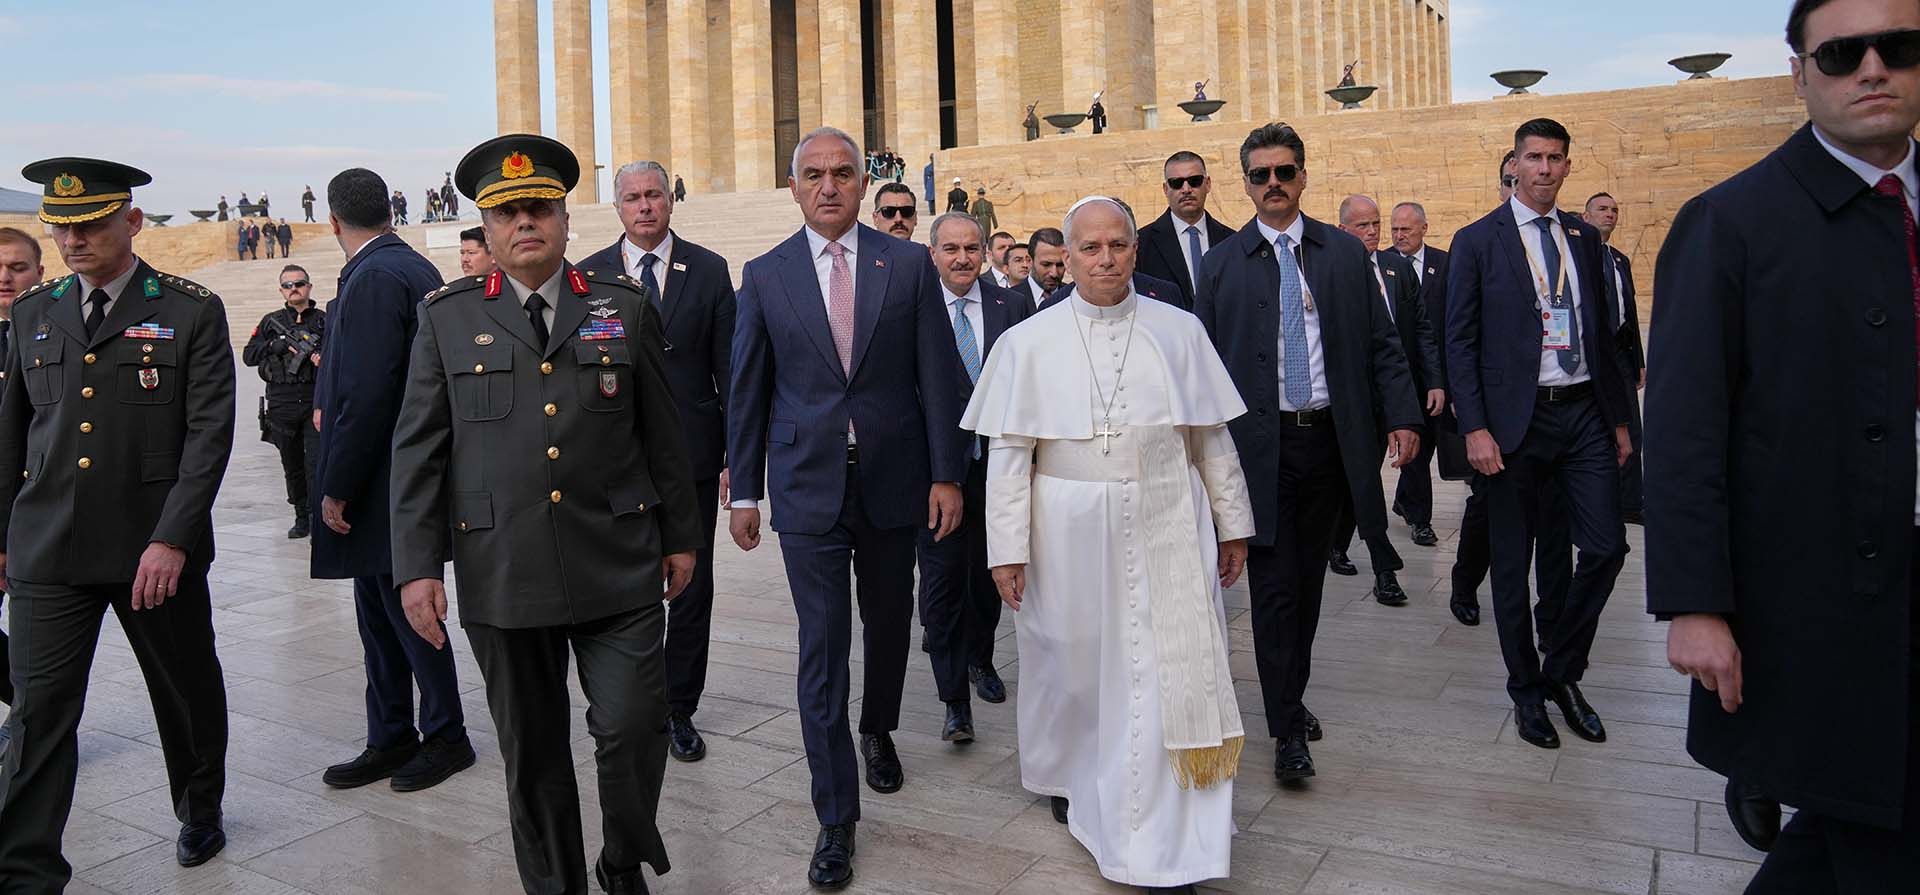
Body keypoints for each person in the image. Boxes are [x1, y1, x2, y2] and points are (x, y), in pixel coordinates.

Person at [1650, 0, 1920, 883]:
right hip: (1815, 596)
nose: (1873, 69)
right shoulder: (1730, 221)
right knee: (1866, 821)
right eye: (1843, 53)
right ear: (1800, 72)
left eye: (1899, 47)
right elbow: (1686, 427)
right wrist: (1695, 600)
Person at [391, 134, 700, 895]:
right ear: (487, 231)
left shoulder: (621, 307)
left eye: (539, 208)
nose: (524, 221)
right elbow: (418, 452)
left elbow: (664, 431)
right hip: (504, 566)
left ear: (564, 219)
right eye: (506, 212)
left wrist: (682, 537)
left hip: (617, 557)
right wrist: (417, 568)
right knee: (531, 753)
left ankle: (622, 857)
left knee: (634, 728)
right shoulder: (446, 318)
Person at [968, 196, 1252, 894]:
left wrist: (1234, 521)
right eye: (1089, 248)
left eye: (1117, 245)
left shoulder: (1179, 330)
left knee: (1159, 669)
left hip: (1168, 520)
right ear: (1066, 255)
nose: (1104, 259)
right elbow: (1009, 456)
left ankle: (1164, 827)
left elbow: (1210, 436)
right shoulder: (1027, 342)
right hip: (1065, 526)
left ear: (1134, 249)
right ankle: (1070, 773)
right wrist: (1006, 549)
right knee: (1072, 658)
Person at [727, 126, 966, 890]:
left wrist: (947, 473)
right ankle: (836, 815)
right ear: (793, 186)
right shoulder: (764, 275)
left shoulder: (907, 266)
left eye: (842, 173)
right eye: (813, 175)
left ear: (865, 183)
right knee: (822, 648)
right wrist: (746, 488)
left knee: (893, 623)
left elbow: (937, 373)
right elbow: (748, 389)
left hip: (897, 479)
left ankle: (879, 727)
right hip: (806, 487)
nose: (828, 186)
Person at [0, 158, 237, 882]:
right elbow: (11, 436)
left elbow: (208, 436)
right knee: (37, 713)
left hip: (150, 550)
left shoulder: (191, 310)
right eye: (62, 227)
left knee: (186, 689)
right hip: (49, 547)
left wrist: (173, 537)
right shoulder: (35, 312)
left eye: (91, 225)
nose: (74, 240)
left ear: (131, 222)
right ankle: (24, 868)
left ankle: (200, 807)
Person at [1194, 123, 1422, 783]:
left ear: (1302, 176)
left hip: (1326, 442)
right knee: (1272, 590)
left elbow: (1382, 342)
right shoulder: (1221, 265)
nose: (1273, 184)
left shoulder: (1344, 257)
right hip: (1255, 453)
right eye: (1260, 174)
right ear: (1245, 182)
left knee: (1309, 585)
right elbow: (1201, 368)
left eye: (1284, 171)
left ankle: (1289, 694)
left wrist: (1403, 413)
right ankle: (1287, 726)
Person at [1446, 117, 1635, 750]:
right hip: (1512, 423)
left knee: (1607, 547)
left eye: (1556, 158)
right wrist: (1473, 426)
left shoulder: (1584, 237)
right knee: (1512, 563)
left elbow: (1605, 337)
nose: (1545, 169)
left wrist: (1618, 419)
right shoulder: (1478, 240)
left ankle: (1562, 672)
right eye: (1534, 158)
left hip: (1581, 412)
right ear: (1515, 166)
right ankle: (1526, 691)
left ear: (1567, 167)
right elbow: (1460, 341)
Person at [311, 167, 474, 794]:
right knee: (379, 613)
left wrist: (338, 483)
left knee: (406, 610)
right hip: (398, 473)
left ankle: (445, 733)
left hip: (382, 479)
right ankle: (390, 734)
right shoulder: (407, 267)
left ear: (333, 221)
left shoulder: (377, 275)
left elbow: (369, 392)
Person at [578, 159, 736, 764]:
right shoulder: (587, 274)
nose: (644, 206)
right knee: (620, 584)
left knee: (691, 586)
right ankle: (625, 703)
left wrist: (734, 460)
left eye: (654, 195)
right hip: (614, 461)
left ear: (671, 200)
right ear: (616, 208)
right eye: (632, 198)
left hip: (692, 458)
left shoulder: (710, 269)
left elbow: (730, 371)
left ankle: (678, 708)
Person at [1443, 154, 1573, 631]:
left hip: (1554, 409)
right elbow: (1460, 336)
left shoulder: (1563, 240)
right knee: (1487, 514)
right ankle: (1464, 583)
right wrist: (1470, 415)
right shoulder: (1481, 243)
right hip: (1500, 418)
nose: (1518, 183)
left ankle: (1552, 618)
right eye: (1508, 179)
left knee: (1555, 524)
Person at [916, 211, 1030, 744]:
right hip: (938, 472)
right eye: (950, 249)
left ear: (985, 253)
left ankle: (981, 660)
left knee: (992, 576)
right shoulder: (916, 308)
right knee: (940, 584)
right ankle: (953, 700)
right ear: (933, 253)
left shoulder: (1013, 305)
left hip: (1000, 469)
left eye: (971, 248)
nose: (961, 258)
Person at [1325, 194, 1442, 606]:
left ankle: (1382, 566)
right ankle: (1360, 554)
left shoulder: (1396, 269)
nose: (1373, 232)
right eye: (1362, 225)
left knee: (1373, 476)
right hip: (1352, 399)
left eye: (1376, 223)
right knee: (1359, 479)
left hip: (1395, 391)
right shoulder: (1331, 273)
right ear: (1342, 230)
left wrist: (1433, 382)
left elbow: (1421, 330)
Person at [242, 264, 326, 539]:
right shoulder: (271, 322)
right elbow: (248, 356)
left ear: (309, 287)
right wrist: (272, 346)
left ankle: (317, 518)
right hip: (282, 403)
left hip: (315, 401)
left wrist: (321, 357)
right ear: (281, 290)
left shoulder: (324, 321)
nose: (294, 289)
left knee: (316, 464)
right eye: (288, 285)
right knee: (291, 464)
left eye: (299, 283)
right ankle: (300, 516)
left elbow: (341, 355)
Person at [0, 226, 44, 740]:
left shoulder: (53, 331)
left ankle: (36, 713)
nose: (6, 278)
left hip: (37, 506)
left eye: (18, 267)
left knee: (40, 632)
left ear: (39, 272)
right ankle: (29, 701)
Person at [1582, 192, 1644, 524]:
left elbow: (1629, 313)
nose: (1610, 215)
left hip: (1620, 354)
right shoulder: (1578, 256)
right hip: (1591, 355)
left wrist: (1638, 360)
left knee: (1632, 429)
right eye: (1603, 209)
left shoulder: (1619, 259)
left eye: (1615, 210)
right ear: (1585, 215)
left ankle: (1631, 503)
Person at [1388, 201, 1446, 546]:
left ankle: (1406, 502)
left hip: (1430, 375)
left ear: (1424, 228)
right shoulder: (1382, 265)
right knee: (1413, 446)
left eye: (1406, 229)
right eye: (1394, 229)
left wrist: (1441, 379)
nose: (1399, 236)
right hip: (1396, 376)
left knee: (1425, 448)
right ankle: (1420, 519)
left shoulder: (1445, 264)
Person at [1138, 151, 1236, 311]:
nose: (1186, 189)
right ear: (1165, 189)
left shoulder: (1232, 241)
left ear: (1208, 184)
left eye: (1194, 181)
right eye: (1176, 183)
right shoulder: (1142, 244)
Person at [1013, 227, 1067, 309]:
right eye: (1046, 264)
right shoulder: (1009, 300)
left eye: (1060, 265)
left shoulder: (1075, 296)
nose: (1054, 273)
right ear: (1030, 261)